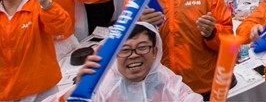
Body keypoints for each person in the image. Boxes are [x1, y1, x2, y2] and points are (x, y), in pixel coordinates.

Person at [50, 22, 203, 101]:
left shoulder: (169, 83)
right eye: (125, 50)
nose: (134, 55)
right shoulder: (101, 86)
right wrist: (78, 94)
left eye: (142, 47)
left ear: (155, 52)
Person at [0, 0, 72, 102]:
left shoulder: (38, 6)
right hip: (5, 94)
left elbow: (61, 28)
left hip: (41, 91)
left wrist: (47, 5)